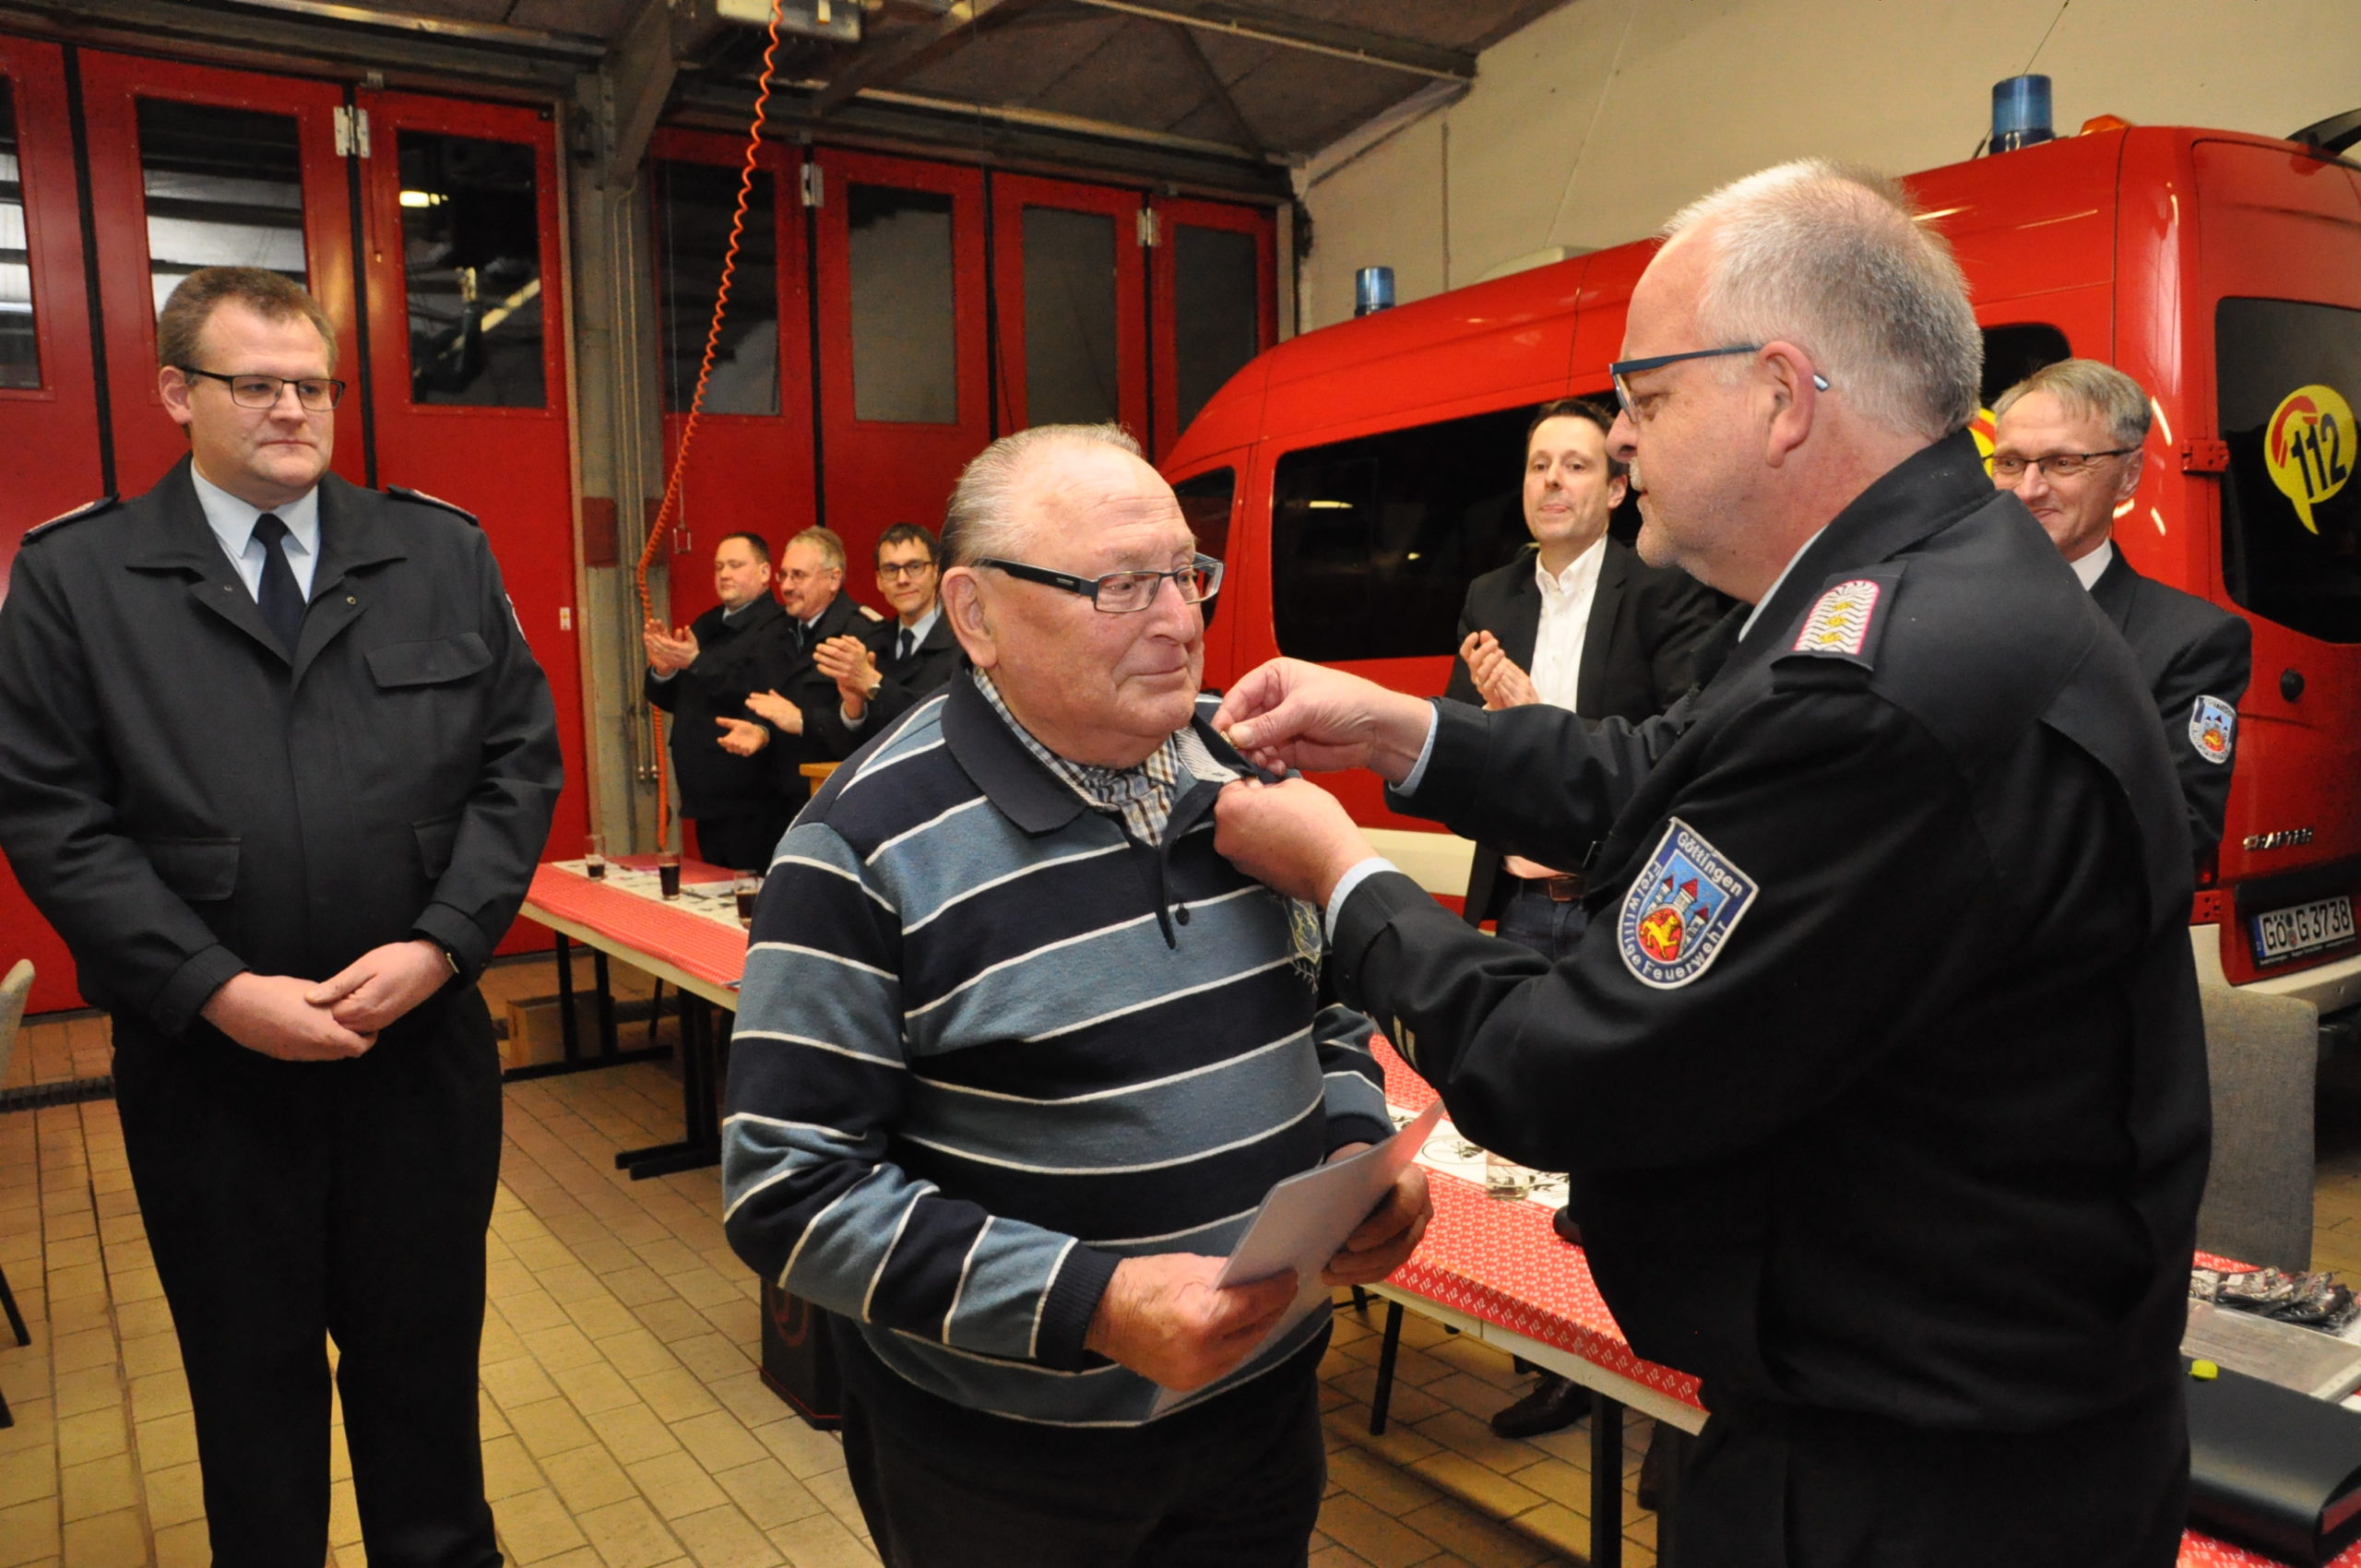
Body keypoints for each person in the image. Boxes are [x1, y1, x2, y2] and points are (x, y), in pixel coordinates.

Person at [1210, 161, 2208, 1567]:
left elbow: (1568, 1065)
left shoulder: (1884, 685)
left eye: (1646, 395)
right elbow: (1671, 770)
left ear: (1782, 395)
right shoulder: (1922, 579)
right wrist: (1403, 731)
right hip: (1957, 1423)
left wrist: (1343, 879)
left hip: (1911, 1486)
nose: (1620, 438)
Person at [718, 423, 1430, 1568]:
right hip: (1007, 1463)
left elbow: (1325, 1010)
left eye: (1186, 574)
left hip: (1261, 1417)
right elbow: (788, 1189)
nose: (1180, 619)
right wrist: (1091, 1301)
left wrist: (1354, 1154)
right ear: (976, 614)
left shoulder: (1244, 773)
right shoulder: (860, 849)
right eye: (1121, 584)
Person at [0, 267, 561, 1567]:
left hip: (414, 1058)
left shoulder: (437, 552)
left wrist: (444, 942)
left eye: (314, 385)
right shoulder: (81, 577)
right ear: (175, 393)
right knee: (249, 1391)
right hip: (212, 1077)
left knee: (425, 1375)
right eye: (256, 384)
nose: (295, 411)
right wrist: (209, 984)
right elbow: (52, 814)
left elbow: (517, 765)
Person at [1452, 395, 1724, 1441]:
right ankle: (1551, 1353)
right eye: (1538, 466)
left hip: (1621, 906)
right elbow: (1459, 740)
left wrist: (1541, 723)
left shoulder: (1663, 587)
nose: (1553, 482)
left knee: (1623, 1135)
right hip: (1525, 905)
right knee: (1533, 1135)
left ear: (1616, 488)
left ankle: (1636, 1362)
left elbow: (1681, 746)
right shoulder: (1488, 593)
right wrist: (1487, 731)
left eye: (1576, 464)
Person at [1992, 358, 2252, 864]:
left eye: (2062, 463)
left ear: (2129, 475)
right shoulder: (1939, 607)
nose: (2029, 489)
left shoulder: (2189, 640)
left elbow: (2180, 829)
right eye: (2010, 463)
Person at [643, 530, 792, 872]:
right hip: (706, 799)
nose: (724, 574)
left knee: (750, 893)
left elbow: (755, 693)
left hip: (752, 801)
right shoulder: (707, 624)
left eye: (736, 565)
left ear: (765, 573)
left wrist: (696, 662)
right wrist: (664, 670)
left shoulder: (777, 627)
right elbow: (679, 699)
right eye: (719, 566)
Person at [715, 525, 870, 814]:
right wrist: (759, 729)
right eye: (783, 575)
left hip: (835, 801)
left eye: (798, 575)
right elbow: (759, 698)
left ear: (833, 579)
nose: (786, 586)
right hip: (773, 802)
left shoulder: (860, 633)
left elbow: (867, 727)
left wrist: (802, 720)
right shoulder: (771, 633)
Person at [808, 521, 962, 759]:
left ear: (936, 571)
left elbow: (941, 721)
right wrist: (854, 708)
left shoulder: (961, 641)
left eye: (914, 567)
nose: (902, 579)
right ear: (879, 581)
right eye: (891, 569)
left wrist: (873, 684)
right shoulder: (871, 642)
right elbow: (845, 752)